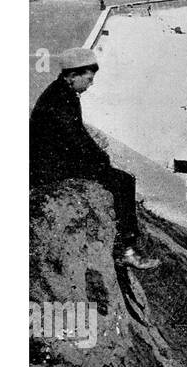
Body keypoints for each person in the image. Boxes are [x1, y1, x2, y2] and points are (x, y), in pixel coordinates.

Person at [30, 48, 157, 270]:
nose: (91, 84)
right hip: (49, 168)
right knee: (124, 181)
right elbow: (76, 139)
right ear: (72, 76)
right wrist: (101, 159)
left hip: (50, 162)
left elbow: (75, 137)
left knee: (116, 177)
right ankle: (127, 248)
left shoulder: (60, 93)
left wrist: (98, 158)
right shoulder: (62, 98)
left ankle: (126, 247)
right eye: (89, 78)